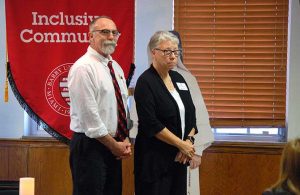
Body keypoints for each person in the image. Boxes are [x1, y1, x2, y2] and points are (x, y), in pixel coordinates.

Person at [68, 16, 131, 195]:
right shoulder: (83, 68)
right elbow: (90, 119)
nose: (111, 36)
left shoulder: (115, 67)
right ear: (90, 36)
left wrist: (123, 138)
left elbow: (120, 109)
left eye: (114, 32)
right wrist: (114, 145)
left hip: (113, 146)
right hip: (90, 147)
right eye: (104, 32)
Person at [134, 31, 197, 195]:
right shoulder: (145, 82)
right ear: (153, 52)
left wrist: (188, 141)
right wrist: (181, 144)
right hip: (154, 161)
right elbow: (151, 124)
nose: (173, 56)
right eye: (167, 51)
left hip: (179, 158)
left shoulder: (179, 79)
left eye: (176, 52)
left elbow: (191, 114)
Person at [169, 30, 214, 195]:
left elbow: (199, 117)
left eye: (174, 48)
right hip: (158, 154)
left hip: (186, 153)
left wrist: (198, 151)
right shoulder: (149, 79)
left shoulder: (187, 79)